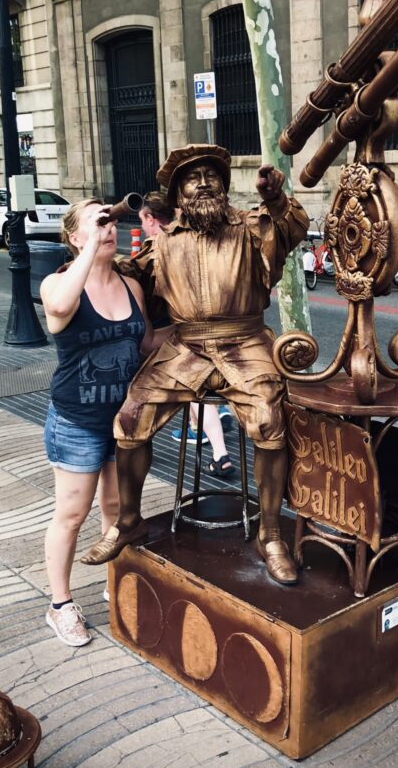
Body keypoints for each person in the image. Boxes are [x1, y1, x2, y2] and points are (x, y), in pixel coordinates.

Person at [81, 144, 309, 585]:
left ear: (224, 185)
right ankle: (128, 520)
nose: (202, 182)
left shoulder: (251, 226)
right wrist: (93, 243)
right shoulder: (163, 243)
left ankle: (272, 533)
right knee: (130, 419)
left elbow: (293, 228)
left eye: (210, 175)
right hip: (185, 347)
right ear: (178, 193)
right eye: (191, 177)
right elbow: (122, 276)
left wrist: (277, 198)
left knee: (268, 420)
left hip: (245, 341)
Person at [40, 198, 153, 647]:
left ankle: (115, 583)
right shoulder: (56, 283)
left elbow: (144, 344)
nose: (110, 229)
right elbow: (61, 309)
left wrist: (200, 332)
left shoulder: (131, 287)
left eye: (112, 222)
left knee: (116, 510)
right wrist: (87, 252)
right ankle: (60, 605)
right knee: (71, 513)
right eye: (97, 222)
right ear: (74, 237)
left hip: (122, 422)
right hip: (76, 421)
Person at [139, 190, 236, 478]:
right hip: (210, 335)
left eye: (143, 220)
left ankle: (214, 445)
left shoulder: (159, 248)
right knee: (196, 391)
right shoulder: (194, 242)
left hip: (178, 336)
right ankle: (205, 431)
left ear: (150, 218)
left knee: (188, 387)